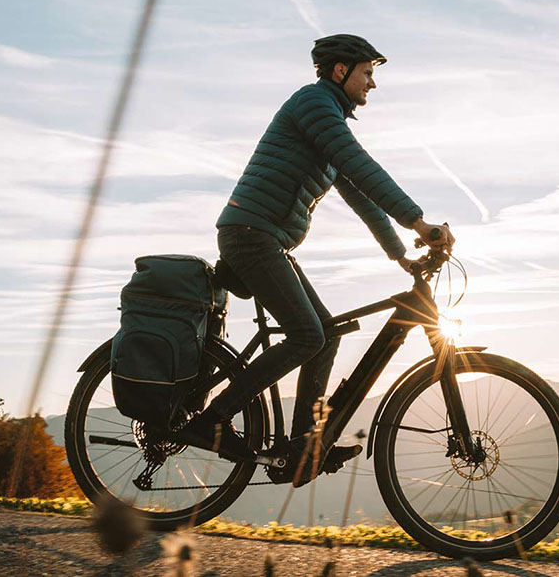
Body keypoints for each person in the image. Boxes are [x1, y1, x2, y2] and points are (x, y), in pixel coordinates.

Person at [177, 34, 455, 474]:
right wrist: (418, 221)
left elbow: (360, 191)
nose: (373, 84)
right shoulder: (314, 105)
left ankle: (303, 448)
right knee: (308, 336)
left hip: (266, 239)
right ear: (340, 71)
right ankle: (211, 422)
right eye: (367, 73)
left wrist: (401, 254)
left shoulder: (328, 121)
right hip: (251, 235)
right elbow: (361, 164)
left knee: (327, 331)